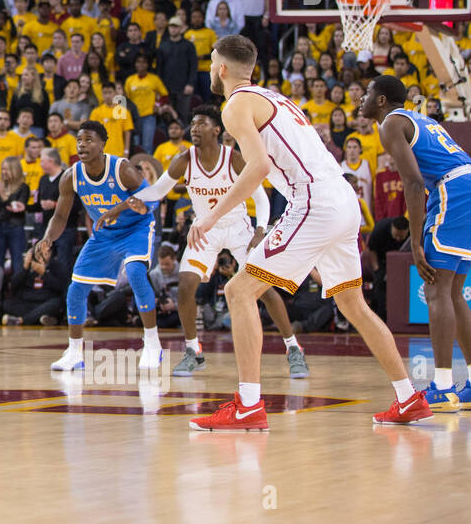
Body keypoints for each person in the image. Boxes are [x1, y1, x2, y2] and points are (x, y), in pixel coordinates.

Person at [188, 35, 428, 430]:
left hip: (314, 202)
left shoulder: (235, 105)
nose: (211, 68)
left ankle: (248, 405)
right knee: (353, 306)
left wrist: (211, 217)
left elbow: (259, 168)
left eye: (212, 61)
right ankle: (408, 398)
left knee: (238, 291)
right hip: (342, 199)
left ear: (222, 68)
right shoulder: (274, 97)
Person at [100, 105, 309, 378]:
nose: (194, 128)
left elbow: (260, 197)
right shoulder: (184, 160)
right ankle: (192, 351)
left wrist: (260, 231)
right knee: (186, 285)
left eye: (201, 124)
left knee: (264, 289)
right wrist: (121, 207)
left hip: (238, 228)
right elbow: (156, 192)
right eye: (193, 123)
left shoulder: (233, 159)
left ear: (217, 129)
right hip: (205, 230)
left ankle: (293, 348)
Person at [363, 75, 471, 410]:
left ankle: (441, 386)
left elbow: (411, 183)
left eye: (368, 93)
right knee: (454, 293)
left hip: (452, 190)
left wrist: (414, 240)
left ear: (382, 100)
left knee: (437, 290)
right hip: (465, 183)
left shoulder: (392, 123)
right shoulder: (419, 119)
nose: (362, 98)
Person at [36, 120, 160, 371]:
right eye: (79, 140)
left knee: (136, 273)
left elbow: (152, 196)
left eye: (89, 140)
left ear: (102, 144)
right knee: (76, 289)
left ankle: (152, 344)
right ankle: (74, 352)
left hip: (135, 229)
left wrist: (130, 206)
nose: (82, 144)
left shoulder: (121, 168)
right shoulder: (71, 176)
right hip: (105, 235)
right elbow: (60, 217)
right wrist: (47, 238)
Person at [2, 238, 69, 326]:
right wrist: (25, 269)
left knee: (57, 303)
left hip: (46, 303)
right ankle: (41, 319)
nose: (41, 255)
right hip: (28, 303)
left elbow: (61, 288)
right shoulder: (27, 265)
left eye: (45, 252)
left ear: (50, 253)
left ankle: (21, 321)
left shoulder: (57, 267)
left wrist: (44, 274)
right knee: (6, 304)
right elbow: (14, 286)